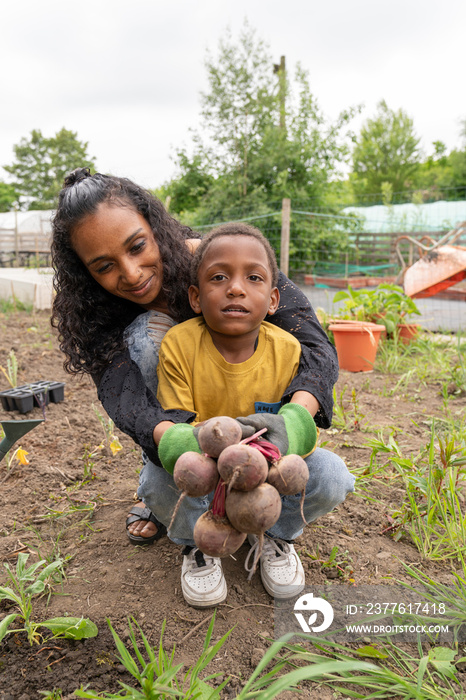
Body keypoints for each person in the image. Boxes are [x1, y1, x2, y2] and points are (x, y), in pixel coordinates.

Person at [51, 168, 355, 605]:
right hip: (190, 426)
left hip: (259, 425)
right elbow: (126, 397)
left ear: (155, 229)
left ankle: (269, 530)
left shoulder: (221, 261)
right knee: (145, 336)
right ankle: (189, 518)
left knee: (329, 475)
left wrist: (292, 423)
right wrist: (180, 446)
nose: (133, 273)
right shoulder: (99, 315)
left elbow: (313, 344)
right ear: (86, 274)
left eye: (137, 246)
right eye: (105, 267)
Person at [155, 222, 320, 606]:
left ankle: (275, 535)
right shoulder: (178, 344)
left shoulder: (288, 349)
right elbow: (179, 425)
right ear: (195, 298)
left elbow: (296, 427)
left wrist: (263, 454)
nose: (235, 288)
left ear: (274, 300)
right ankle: (195, 544)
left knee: (330, 476)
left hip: (265, 470)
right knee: (153, 481)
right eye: (219, 277)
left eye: (253, 277)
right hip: (206, 470)